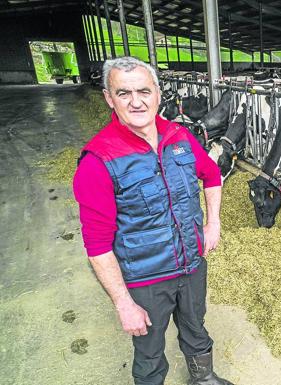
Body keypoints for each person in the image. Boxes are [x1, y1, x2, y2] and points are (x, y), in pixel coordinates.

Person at [73, 56, 233, 385]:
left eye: (144, 91)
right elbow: (98, 246)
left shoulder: (181, 137)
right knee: (149, 348)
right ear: (108, 98)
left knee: (196, 326)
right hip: (144, 280)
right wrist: (123, 304)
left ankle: (202, 379)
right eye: (123, 93)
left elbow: (212, 174)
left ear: (158, 94)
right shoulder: (98, 161)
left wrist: (213, 224)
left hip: (191, 264)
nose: (136, 101)